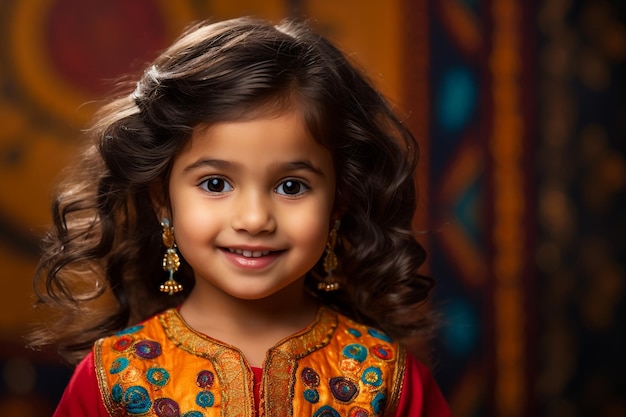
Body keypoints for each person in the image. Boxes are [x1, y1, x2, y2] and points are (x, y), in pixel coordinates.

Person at [32, 17, 452, 416]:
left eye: (292, 186)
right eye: (216, 184)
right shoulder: (113, 378)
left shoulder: (385, 380)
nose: (254, 219)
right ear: (162, 199)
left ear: (338, 201)